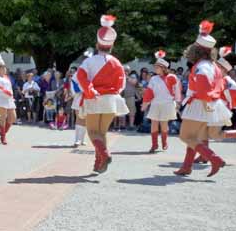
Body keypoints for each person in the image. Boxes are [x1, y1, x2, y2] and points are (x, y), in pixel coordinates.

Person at [174, 20, 231, 177]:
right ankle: (187, 166)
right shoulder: (212, 65)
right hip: (207, 104)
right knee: (194, 138)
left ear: (197, 50)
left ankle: (214, 159)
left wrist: (198, 98)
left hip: (199, 103)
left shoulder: (201, 67)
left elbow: (204, 88)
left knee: (186, 136)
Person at [76, 15, 129, 173]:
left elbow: (80, 76)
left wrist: (90, 90)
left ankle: (104, 155)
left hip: (94, 98)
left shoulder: (89, 61)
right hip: (112, 100)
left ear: (97, 43)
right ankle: (98, 163)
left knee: (92, 133)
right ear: (111, 45)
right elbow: (121, 85)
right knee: (102, 133)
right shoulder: (117, 63)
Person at [142, 50, 181, 153]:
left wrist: (177, 103)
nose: (155, 68)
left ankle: (164, 142)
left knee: (164, 124)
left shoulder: (172, 77)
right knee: (154, 123)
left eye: (157, 67)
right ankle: (154, 145)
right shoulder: (154, 79)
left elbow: (177, 90)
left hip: (167, 104)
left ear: (163, 68)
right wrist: (145, 104)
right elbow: (149, 93)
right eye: (155, 67)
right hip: (155, 103)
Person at [0, 60, 16, 145]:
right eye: (2, 69)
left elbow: (10, 89)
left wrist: (11, 96)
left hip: (9, 99)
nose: (4, 70)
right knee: (3, 117)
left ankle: (3, 132)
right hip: (1, 99)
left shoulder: (7, 78)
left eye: (5, 69)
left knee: (13, 118)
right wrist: (5, 93)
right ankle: (3, 137)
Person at [69, 66, 87, 147]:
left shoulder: (91, 74)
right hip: (79, 99)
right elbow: (74, 89)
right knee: (79, 118)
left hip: (88, 99)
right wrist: (84, 89)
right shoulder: (76, 75)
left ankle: (82, 139)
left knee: (86, 120)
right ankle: (77, 140)